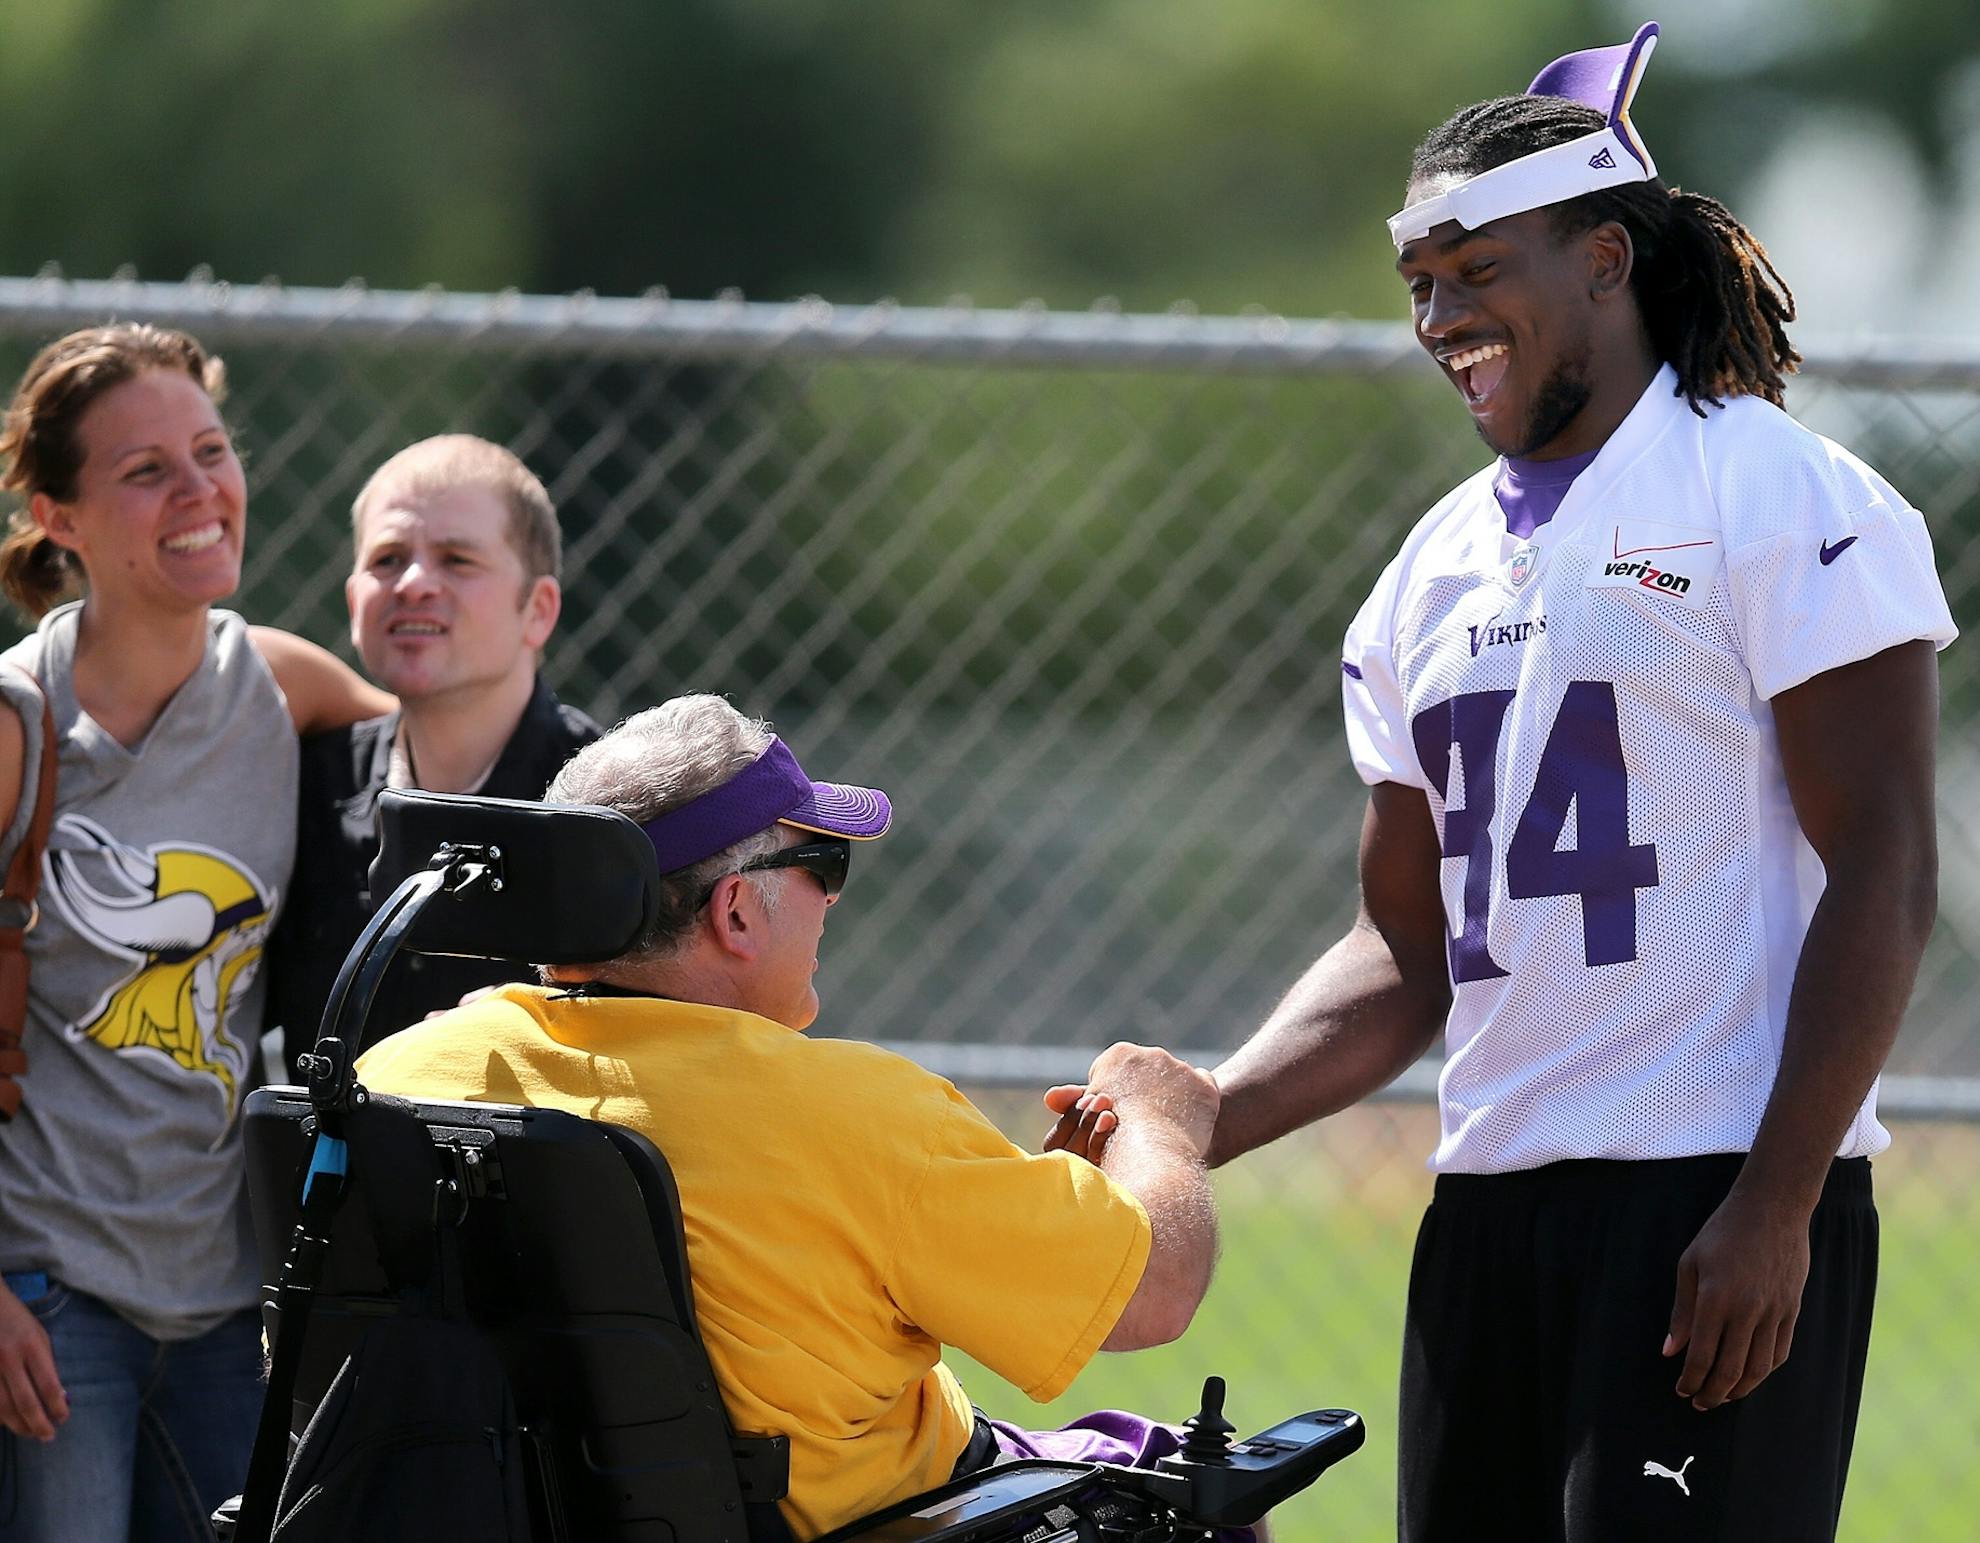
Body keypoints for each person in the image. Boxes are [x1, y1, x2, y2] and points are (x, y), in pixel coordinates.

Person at [1054, 23, 1953, 1542]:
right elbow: (1406, 946)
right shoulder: (1430, 567)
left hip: (1708, 1192)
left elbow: (1888, 862)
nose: (1441, 315)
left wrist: (1778, 1200)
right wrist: (1210, 1107)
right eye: (1421, 284)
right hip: (1489, 1202)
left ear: (1606, 257)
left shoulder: (1776, 490)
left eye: (1479, 271)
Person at [355, 694, 1228, 1541]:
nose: (834, 898)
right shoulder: (867, 1122)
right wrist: (1162, 1122)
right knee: (1209, 1495)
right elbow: (1155, 1294)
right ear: (736, 910)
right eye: (824, 866)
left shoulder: (391, 1078)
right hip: (885, 1520)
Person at [0, 323, 392, 1543]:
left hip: (227, 1301)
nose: (198, 491)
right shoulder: (18, 723)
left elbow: (456, 760)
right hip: (52, 1299)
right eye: (144, 471)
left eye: (211, 452)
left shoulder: (281, 688)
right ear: (60, 517)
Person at [264, 434, 600, 1049]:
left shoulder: (609, 816)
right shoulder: (305, 787)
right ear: (353, 600)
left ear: (539, 610)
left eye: (457, 559)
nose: (414, 583)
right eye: (386, 559)